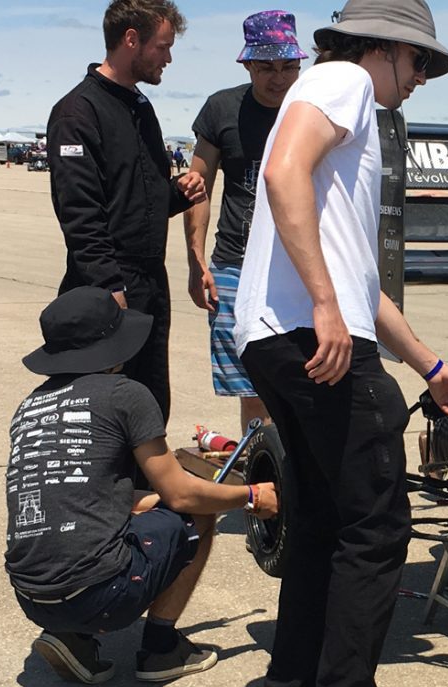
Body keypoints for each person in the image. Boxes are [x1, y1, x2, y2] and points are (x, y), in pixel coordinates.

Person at [233, 0, 448, 687]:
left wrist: (432, 369)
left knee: (318, 521)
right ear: (385, 51)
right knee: (375, 527)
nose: (421, 82)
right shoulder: (342, 81)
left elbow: (361, 282)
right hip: (314, 336)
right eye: (419, 66)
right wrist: (326, 304)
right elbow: (281, 173)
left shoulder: (339, 108)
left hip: (281, 336)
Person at [7, 287, 277, 684]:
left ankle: (72, 635)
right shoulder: (126, 395)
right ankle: (161, 648)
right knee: (194, 514)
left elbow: (80, 492)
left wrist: (144, 501)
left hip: (31, 596)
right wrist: (252, 496)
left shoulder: (30, 406)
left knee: (142, 513)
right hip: (101, 594)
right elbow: (181, 494)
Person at [47, 0, 205, 420]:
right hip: (106, 285)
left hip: (150, 282)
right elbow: (80, 212)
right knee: (105, 407)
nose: (168, 58)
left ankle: (144, 486)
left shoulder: (140, 108)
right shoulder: (76, 113)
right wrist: (108, 286)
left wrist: (179, 192)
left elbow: (138, 201)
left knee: (150, 405)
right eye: (163, 46)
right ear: (131, 40)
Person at [185, 9, 307, 437]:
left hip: (299, 267)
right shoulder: (222, 109)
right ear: (248, 64)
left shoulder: (310, 110)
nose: (279, 78)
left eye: (289, 66)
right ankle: (264, 471)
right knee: (250, 385)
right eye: (267, 67)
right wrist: (196, 261)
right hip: (234, 266)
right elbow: (197, 186)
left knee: (301, 379)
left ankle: (298, 474)